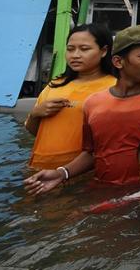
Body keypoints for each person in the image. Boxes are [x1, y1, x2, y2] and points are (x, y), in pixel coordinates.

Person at [24, 25, 140, 193]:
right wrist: (62, 173)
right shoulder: (93, 102)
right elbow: (93, 153)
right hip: (98, 189)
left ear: (103, 52)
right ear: (118, 61)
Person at [26, 24, 118, 170]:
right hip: (37, 168)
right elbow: (34, 132)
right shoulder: (55, 85)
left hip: (79, 173)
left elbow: (112, 142)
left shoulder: (114, 88)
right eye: (70, 49)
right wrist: (35, 114)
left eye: (84, 49)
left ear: (104, 51)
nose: (75, 55)